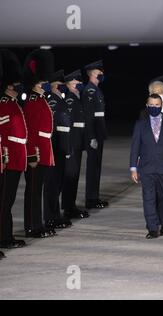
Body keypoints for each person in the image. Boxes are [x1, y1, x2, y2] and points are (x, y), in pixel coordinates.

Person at [130, 94, 163, 239]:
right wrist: (133, 167)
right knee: (149, 198)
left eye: (157, 105)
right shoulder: (141, 124)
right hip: (146, 168)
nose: (154, 108)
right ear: (147, 106)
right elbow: (135, 146)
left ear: (162, 105)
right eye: (151, 105)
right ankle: (152, 228)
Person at [22, 48, 56, 238]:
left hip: (44, 148)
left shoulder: (40, 99)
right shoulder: (33, 101)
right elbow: (31, 132)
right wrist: (32, 154)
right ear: (36, 83)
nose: (46, 85)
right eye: (43, 82)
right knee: (33, 191)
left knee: (37, 190)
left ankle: (37, 224)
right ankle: (32, 227)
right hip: (36, 151)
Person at [0, 49, 28, 248]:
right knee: (3, 202)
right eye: (14, 85)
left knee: (7, 202)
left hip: (16, 158)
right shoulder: (4, 104)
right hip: (7, 158)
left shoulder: (13, 103)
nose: (17, 87)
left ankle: (6, 237)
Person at [43, 70, 72, 229]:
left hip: (61, 148)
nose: (63, 88)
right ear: (53, 86)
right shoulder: (53, 101)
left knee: (57, 184)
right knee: (52, 185)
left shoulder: (61, 100)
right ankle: (50, 217)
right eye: (60, 86)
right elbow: (54, 129)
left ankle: (54, 215)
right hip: (55, 148)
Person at [62, 70, 90, 219]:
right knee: (70, 176)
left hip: (77, 143)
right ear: (69, 85)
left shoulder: (78, 98)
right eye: (76, 83)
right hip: (72, 144)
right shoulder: (71, 100)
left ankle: (70, 205)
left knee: (74, 176)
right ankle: (68, 208)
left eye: (79, 83)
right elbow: (70, 125)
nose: (79, 85)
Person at [82, 60, 109, 209]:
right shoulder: (90, 91)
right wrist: (91, 136)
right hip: (94, 135)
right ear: (92, 74)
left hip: (99, 134)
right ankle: (91, 199)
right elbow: (88, 116)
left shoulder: (96, 90)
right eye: (99, 73)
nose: (102, 75)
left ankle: (94, 197)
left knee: (96, 166)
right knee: (93, 167)